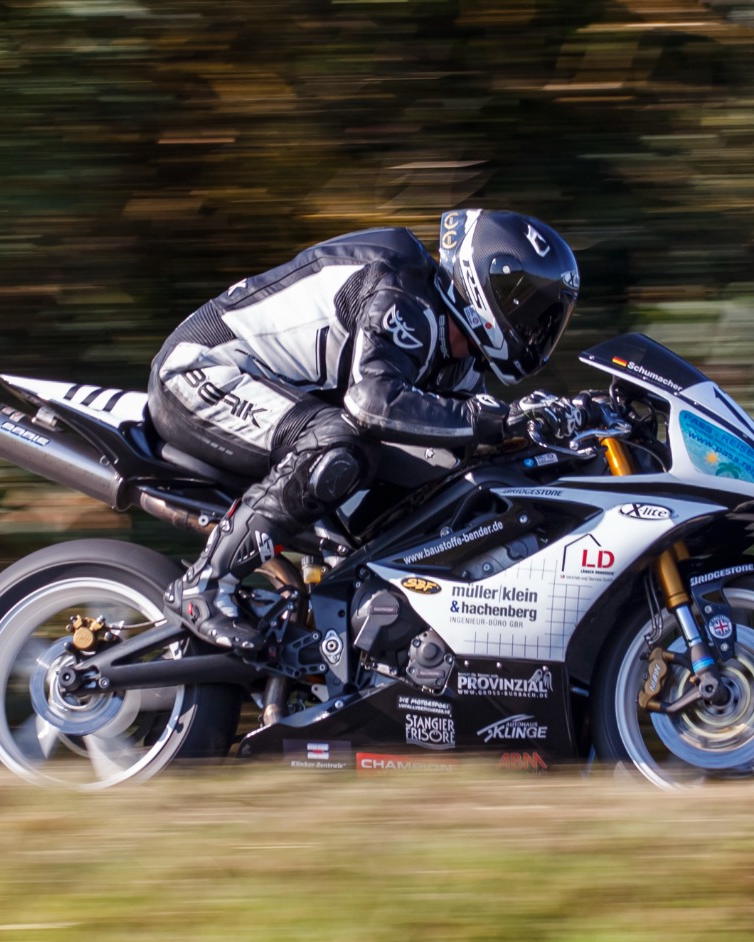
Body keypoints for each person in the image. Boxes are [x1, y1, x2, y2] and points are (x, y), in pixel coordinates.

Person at [148, 209, 581, 651]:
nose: (535, 329)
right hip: (202, 369)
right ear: (484, 283)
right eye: (530, 310)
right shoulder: (402, 288)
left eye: (547, 319)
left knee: (450, 470)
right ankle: (204, 586)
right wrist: (494, 420)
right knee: (339, 446)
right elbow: (370, 402)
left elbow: (460, 435)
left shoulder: (461, 361)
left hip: (283, 402)